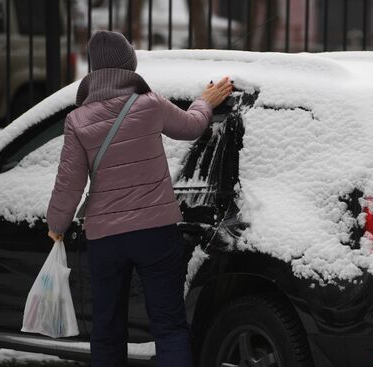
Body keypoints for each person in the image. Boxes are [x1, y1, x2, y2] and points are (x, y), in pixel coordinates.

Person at [45, 30, 233, 367]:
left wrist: (56, 225)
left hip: (106, 240)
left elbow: (68, 182)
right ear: (128, 66)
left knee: (106, 329)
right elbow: (191, 127)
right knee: (170, 326)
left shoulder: (78, 119)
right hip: (156, 233)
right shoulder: (149, 103)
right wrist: (205, 101)